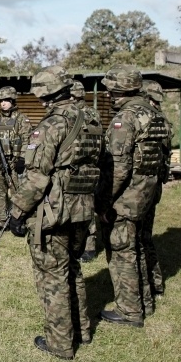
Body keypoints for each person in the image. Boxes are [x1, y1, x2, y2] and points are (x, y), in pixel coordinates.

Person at [5, 66, 103, 359]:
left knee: (53, 276)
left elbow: (37, 177)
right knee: (72, 269)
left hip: (54, 212)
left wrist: (17, 213)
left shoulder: (50, 126)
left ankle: (60, 344)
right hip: (83, 208)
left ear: (43, 93)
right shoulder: (92, 118)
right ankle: (82, 330)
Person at [96, 65, 170, 328]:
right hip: (148, 194)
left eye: (110, 89)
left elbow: (118, 168)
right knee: (137, 247)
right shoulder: (156, 115)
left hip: (126, 199)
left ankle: (129, 311)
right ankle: (145, 302)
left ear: (119, 89)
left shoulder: (124, 119)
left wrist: (103, 202)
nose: (106, 94)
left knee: (122, 252)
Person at [139, 80, 174, 307]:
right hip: (155, 186)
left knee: (137, 242)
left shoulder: (143, 120)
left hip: (140, 188)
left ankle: (144, 292)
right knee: (146, 237)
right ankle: (156, 283)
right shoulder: (165, 123)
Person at [0, 86, 32, 233]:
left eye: (6, 100)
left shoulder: (21, 119)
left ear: (12, 100)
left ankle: (18, 221)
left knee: (17, 193)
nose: (3, 103)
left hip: (14, 161)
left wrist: (23, 158)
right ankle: (1, 221)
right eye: (1, 100)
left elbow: (27, 140)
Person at [70, 80, 102, 263]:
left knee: (86, 208)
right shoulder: (91, 113)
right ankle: (81, 244)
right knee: (83, 207)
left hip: (82, 166)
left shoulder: (84, 114)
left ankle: (89, 246)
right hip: (88, 165)